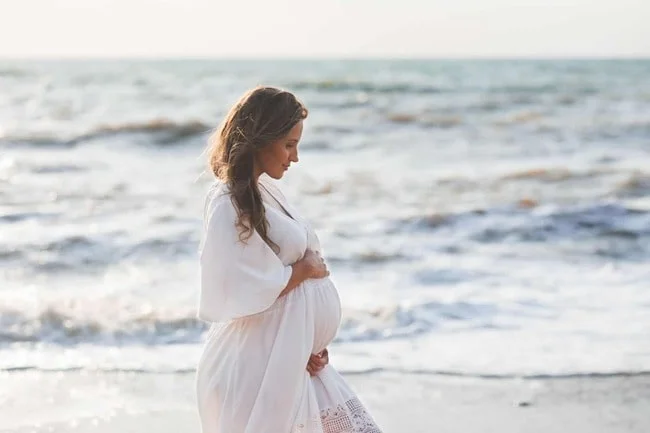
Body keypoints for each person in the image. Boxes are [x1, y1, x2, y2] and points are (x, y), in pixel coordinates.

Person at [196, 86, 383, 433]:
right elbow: (236, 286)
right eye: (289, 145)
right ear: (260, 139)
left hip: (289, 356)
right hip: (259, 363)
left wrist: (306, 342)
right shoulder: (226, 201)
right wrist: (304, 270)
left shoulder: (263, 192)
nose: (294, 158)